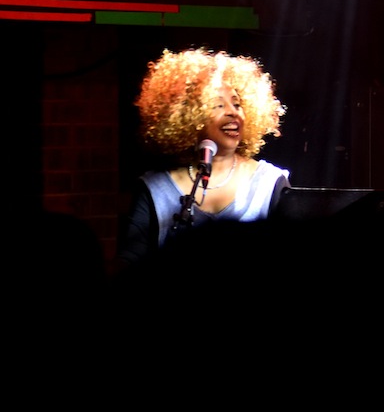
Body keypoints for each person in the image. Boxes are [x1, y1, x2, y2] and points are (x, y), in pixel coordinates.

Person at [118, 48, 289, 268]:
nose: (233, 112)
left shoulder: (270, 183)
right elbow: (129, 262)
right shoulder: (156, 189)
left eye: (237, 104)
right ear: (188, 115)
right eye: (218, 105)